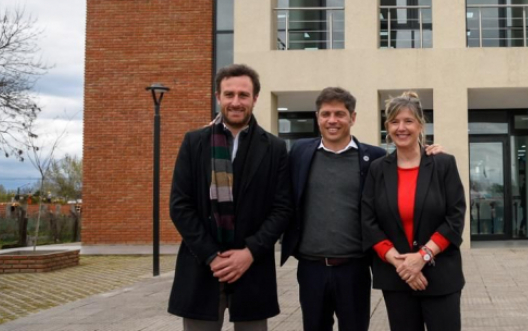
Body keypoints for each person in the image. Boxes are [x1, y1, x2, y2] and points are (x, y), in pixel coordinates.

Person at [280, 87, 441, 331]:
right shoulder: (300, 152)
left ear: (352, 118)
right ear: (317, 117)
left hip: (354, 269)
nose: (332, 120)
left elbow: (409, 164)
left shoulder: (374, 158)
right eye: (325, 114)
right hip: (311, 268)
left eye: (339, 114)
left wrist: (431, 152)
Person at [168, 64, 292, 330]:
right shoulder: (194, 142)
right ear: (218, 97)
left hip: (253, 269)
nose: (236, 102)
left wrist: (249, 253)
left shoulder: (275, 148)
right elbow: (180, 206)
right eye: (229, 94)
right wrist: (212, 256)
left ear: (255, 99)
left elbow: (282, 209)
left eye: (243, 95)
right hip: (202, 268)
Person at [361, 91, 466, 331]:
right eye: (395, 121)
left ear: (420, 125)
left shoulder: (443, 164)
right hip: (397, 278)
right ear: (387, 126)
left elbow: (455, 217)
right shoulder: (378, 169)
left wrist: (422, 257)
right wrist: (402, 265)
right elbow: (368, 221)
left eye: (408, 121)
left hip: (441, 277)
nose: (401, 128)